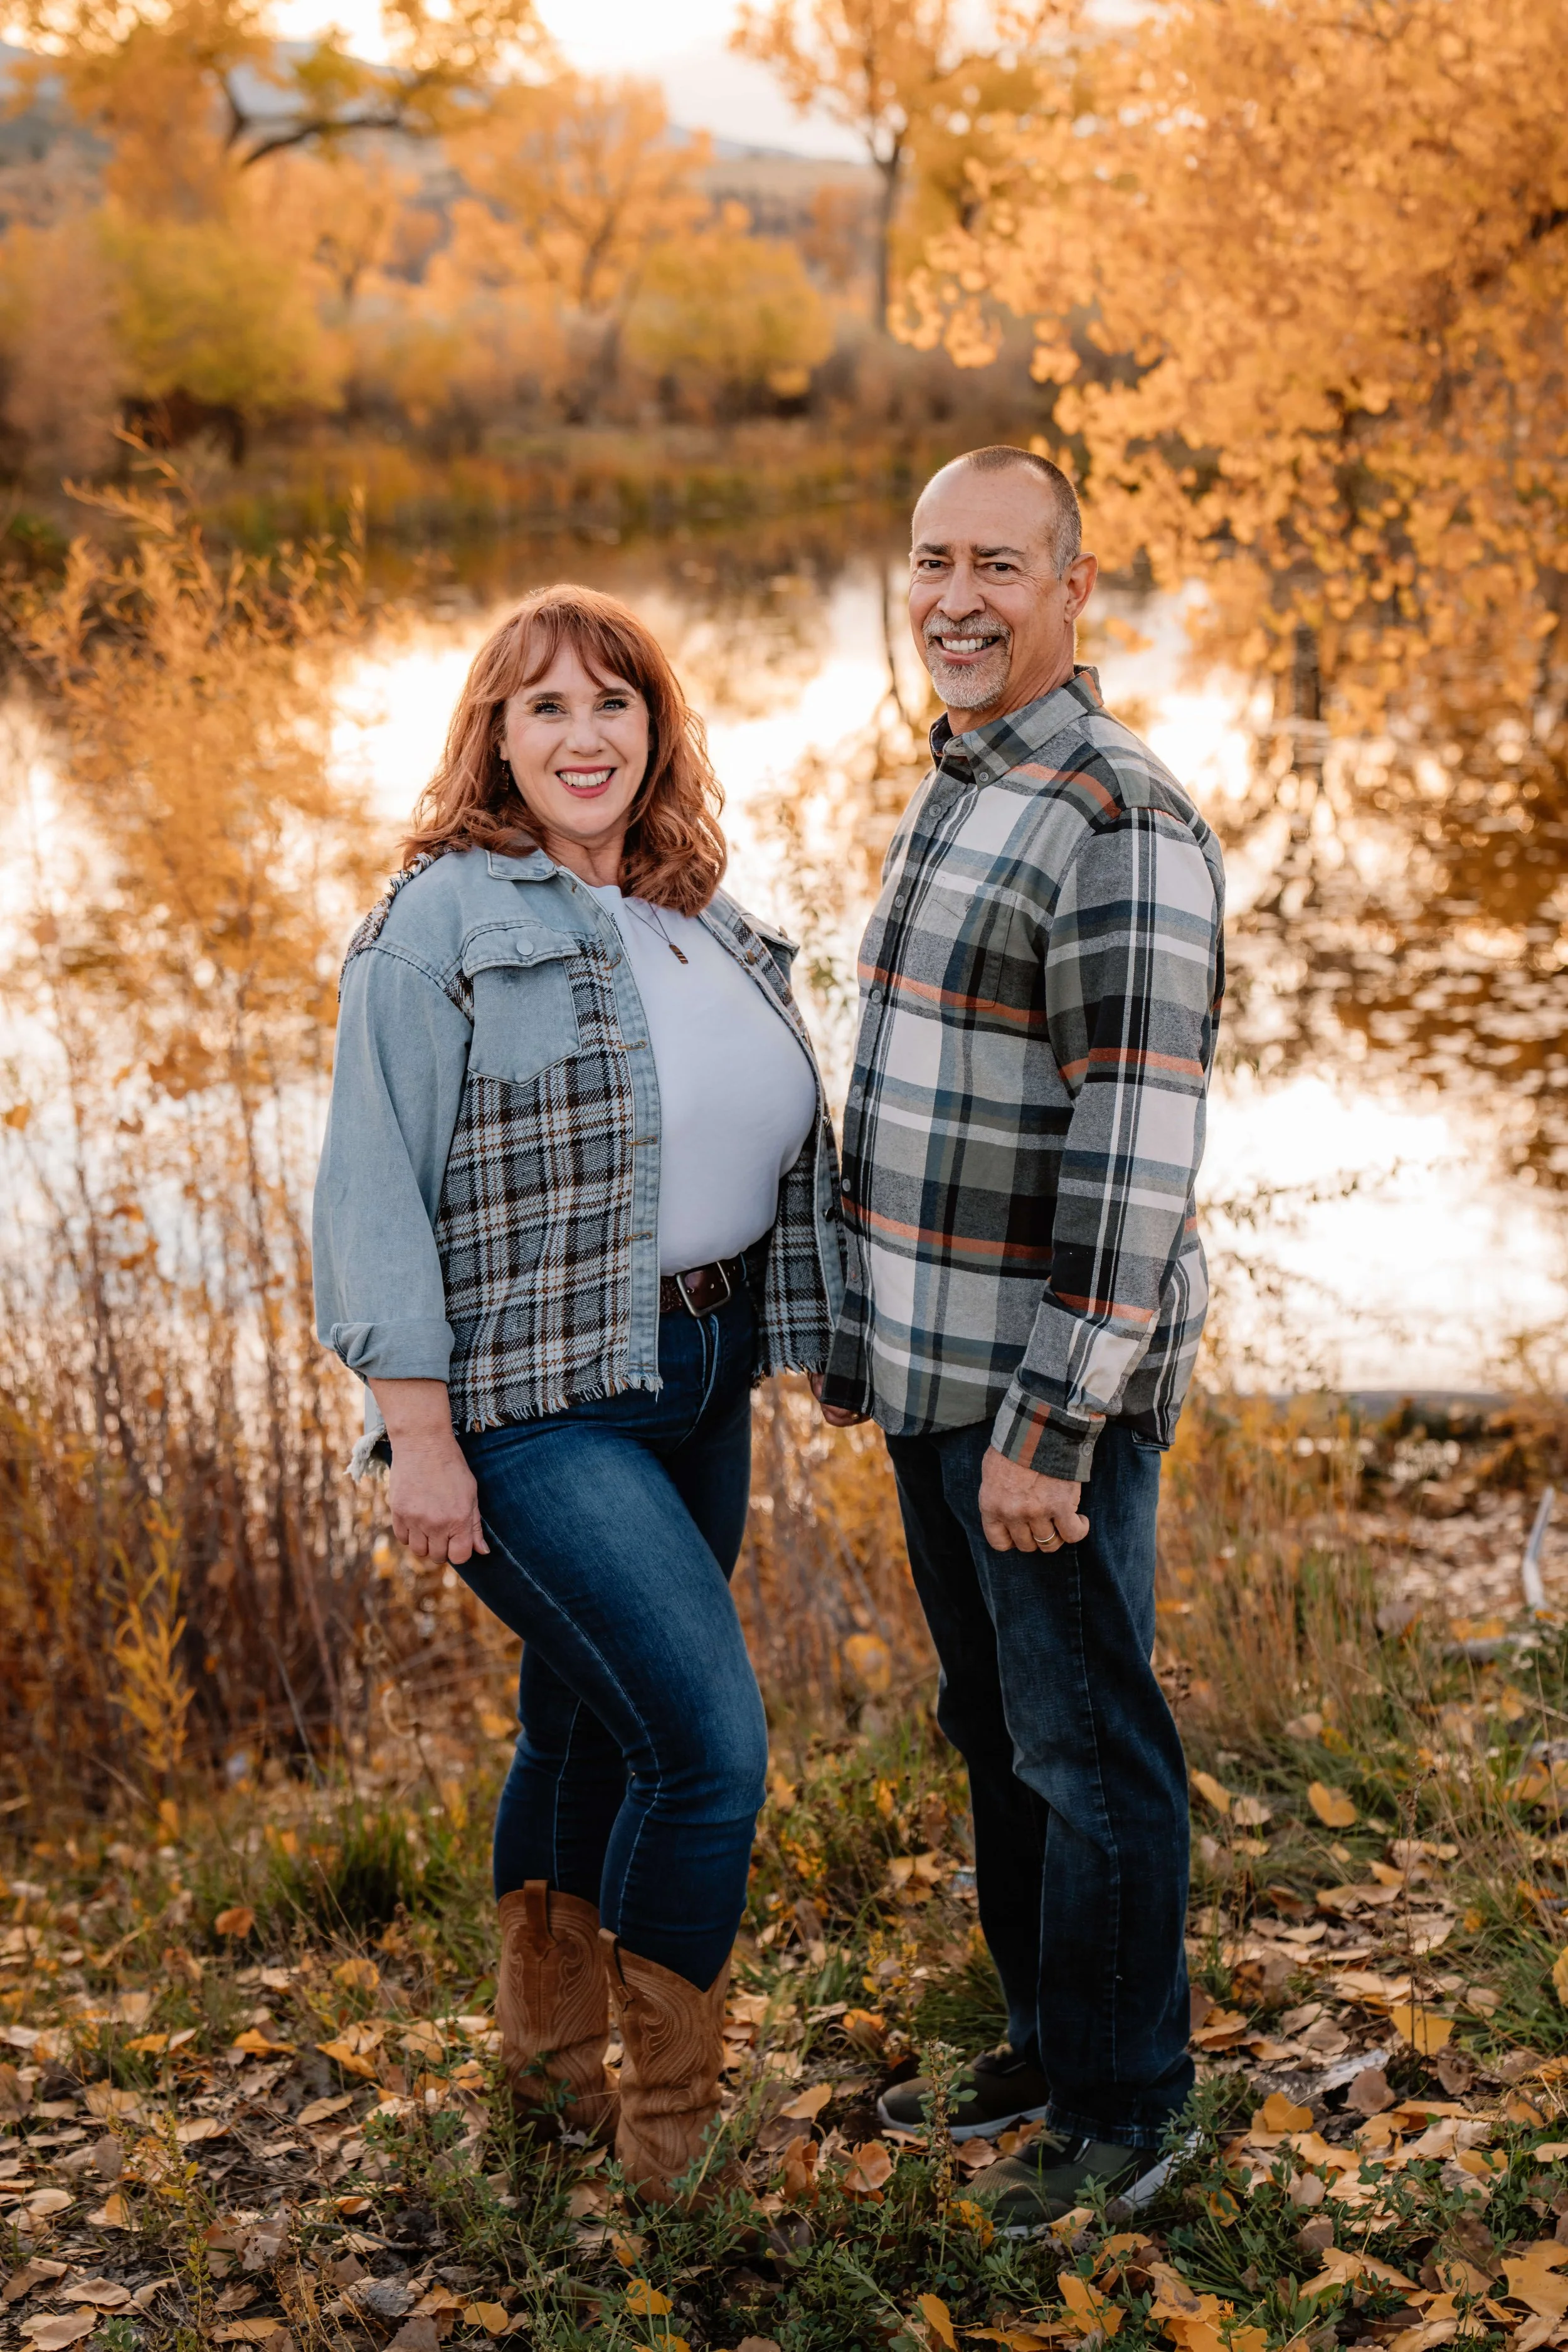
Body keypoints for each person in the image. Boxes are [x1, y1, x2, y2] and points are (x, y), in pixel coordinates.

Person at [313, 584, 844, 2203]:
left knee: (587, 1723)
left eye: (613, 701)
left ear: (657, 728)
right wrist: (420, 1436)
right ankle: (673, 2157)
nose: (583, 734)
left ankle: (545, 2096)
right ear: (493, 736)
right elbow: (368, 1187)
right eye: (542, 706)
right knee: (708, 1748)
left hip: (699, 1374)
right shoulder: (444, 919)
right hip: (530, 1409)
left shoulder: (698, 909)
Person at [817, 446, 1226, 2232]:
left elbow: (1132, 1157)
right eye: (929, 560)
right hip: (931, 1368)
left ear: (1073, 584)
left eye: (995, 561)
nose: (954, 596)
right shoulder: (965, 776)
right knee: (993, 1721)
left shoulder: (1114, 816)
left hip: (1035, 1394)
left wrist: (1049, 1425)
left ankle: (1132, 2104)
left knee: (1086, 1740)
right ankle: (1056, 2043)